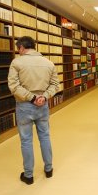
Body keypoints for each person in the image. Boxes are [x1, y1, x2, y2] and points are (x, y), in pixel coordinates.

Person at [8, 36, 59, 185]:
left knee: (26, 141)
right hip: (42, 105)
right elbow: (55, 85)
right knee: (45, 136)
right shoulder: (49, 63)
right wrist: (43, 97)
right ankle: (48, 169)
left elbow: (13, 86)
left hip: (24, 105)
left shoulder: (17, 62)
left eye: (19, 49)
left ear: (22, 47)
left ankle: (29, 175)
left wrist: (31, 98)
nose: (19, 52)